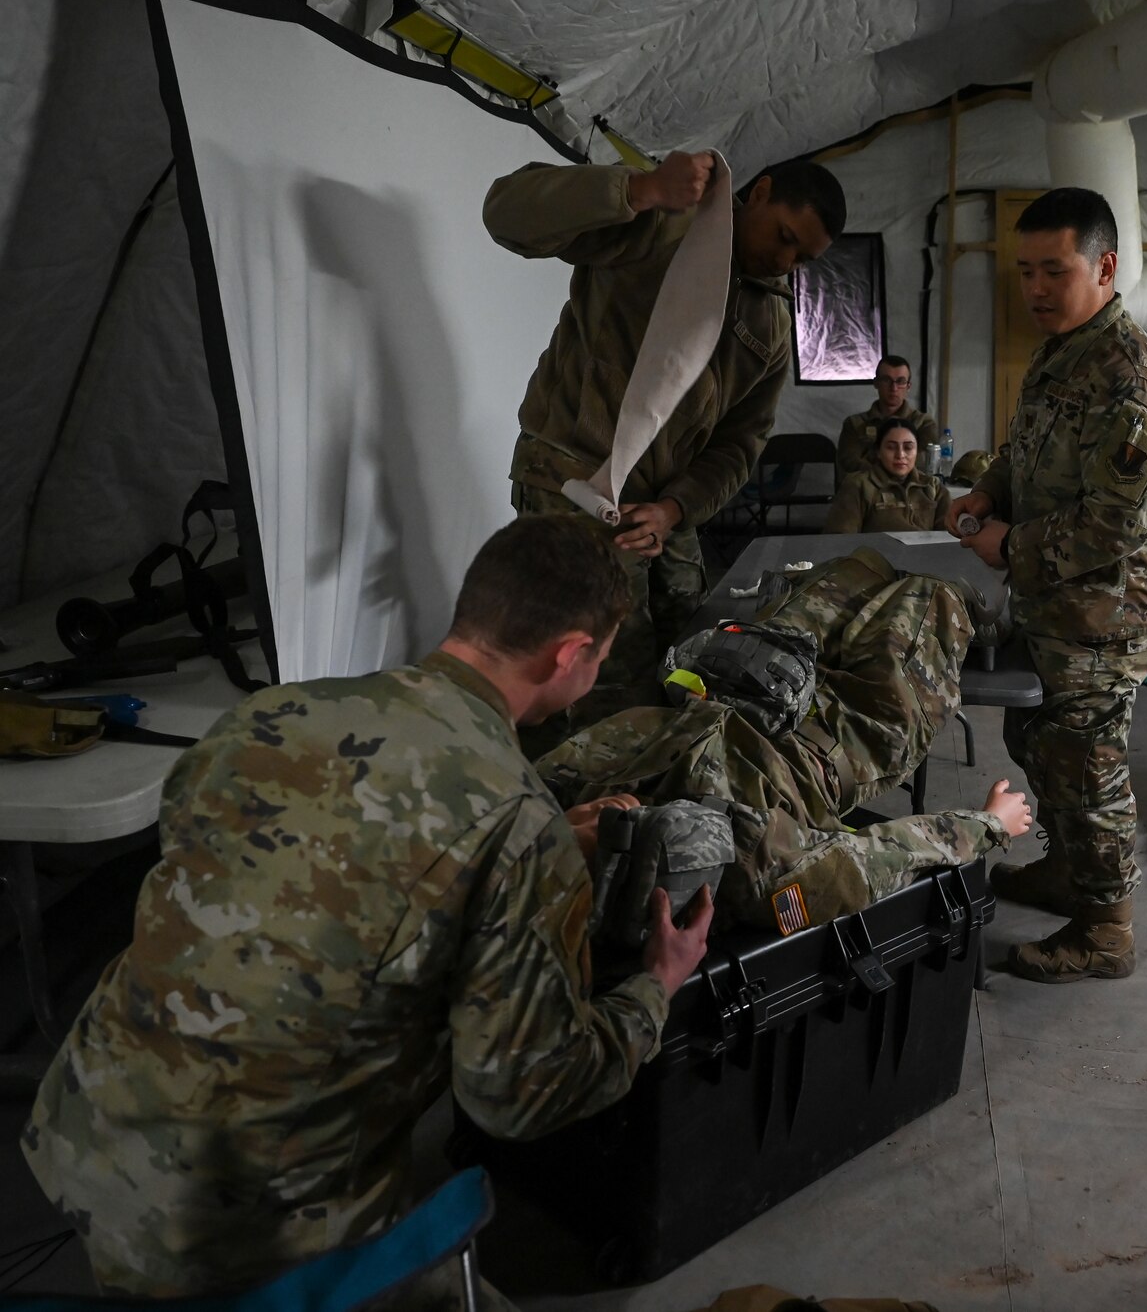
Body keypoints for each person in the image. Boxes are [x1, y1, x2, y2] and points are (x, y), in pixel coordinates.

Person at [19, 516, 716, 1300]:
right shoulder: (516, 824)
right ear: (569, 653)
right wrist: (654, 987)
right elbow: (521, 1092)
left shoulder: (271, 714)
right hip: (245, 1218)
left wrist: (545, 846)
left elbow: (270, 871)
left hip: (89, 1132)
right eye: (603, 654)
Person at [485, 152, 846, 742]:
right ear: (760, 192)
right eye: (784, 237)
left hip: (664, 511)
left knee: (694, 662)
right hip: (576, 482)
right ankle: (570, 812)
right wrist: (639, 188)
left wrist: (676, 509)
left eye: (802, 258)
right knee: (595, 680)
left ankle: (649, 802)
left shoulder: (771, 318)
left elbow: (740, 441)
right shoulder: (666, 220)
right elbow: (506, 213)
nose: (784, 261)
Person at [946, 187, 1147, 983]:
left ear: (1105, 266)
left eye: (1054, 271)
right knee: (1038, 739)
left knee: (1088, 760)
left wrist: (1006, 542)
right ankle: (1069, 870)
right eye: (1025, 273)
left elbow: (1111, 525)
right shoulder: (1063, 351)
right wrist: (992, 492)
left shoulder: (1128, 380)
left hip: (1105, 608)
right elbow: (1028, 450)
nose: (1037, 290)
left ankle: (1106, 929)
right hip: (1059, 598)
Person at [536, 549, 1032, 929]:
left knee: (853, 571)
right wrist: (989, 824)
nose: (601, 813)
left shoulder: (572, 790)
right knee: (931, 600)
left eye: (578, 825)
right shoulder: (742, 863)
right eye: (599, 837)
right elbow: (882, 857)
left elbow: (529, 802)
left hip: (745, 684)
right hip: (842, 736)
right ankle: (974, 618)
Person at [824, 421, 951, 534]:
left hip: (924, 558)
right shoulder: (858, 485)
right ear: (878, 451)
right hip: (873, 559)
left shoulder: (933, 486)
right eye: (891, 447)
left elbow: (950, 536)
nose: (900, 455)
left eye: (908, 447)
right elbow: (839, 539)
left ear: (917, 451)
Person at [835, 355, 941, 485]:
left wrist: (874, 458)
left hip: (911, 494)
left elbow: (925, 462)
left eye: (900, 381)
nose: (894, 388)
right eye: (886, 380)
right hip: (867, 494)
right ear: (876, 383)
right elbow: (849, 463)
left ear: (908, 386)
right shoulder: (855, 424)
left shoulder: (923, 423)